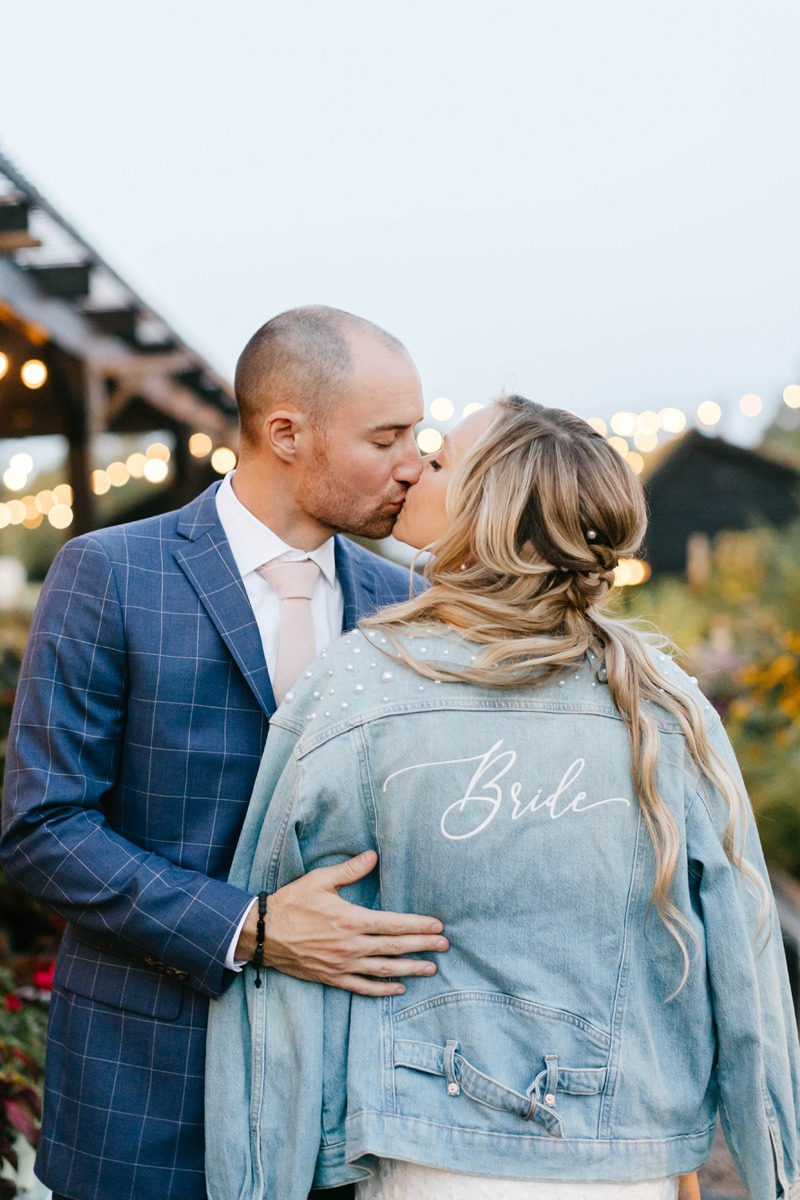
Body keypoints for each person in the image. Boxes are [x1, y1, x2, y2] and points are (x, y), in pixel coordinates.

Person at [205, 396, 800, 1200]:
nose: (413, 466)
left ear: (487, 513)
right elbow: (747, 954)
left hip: (429, 1152)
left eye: (441, 459)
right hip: (628, 1163)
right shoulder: (663, 700)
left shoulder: (363, 685)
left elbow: (278, 971)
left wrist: (265, 1177)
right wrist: (762, 1169)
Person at [0, 306, 452, 1200]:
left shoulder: (405, 602)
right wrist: (252, 929)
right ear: (286, 432)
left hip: (349, 1104)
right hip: (148, 1090)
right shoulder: (109, 573)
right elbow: (42, 828)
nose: (414, 463)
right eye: (388, 436)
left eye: (419, 435)